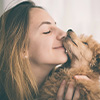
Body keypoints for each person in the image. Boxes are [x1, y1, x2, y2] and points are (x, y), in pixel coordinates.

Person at [0, 1, 92, 100]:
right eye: (47, 31)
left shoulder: (77, 87)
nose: (63, 33)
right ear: (22, 49)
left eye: (56, 26)